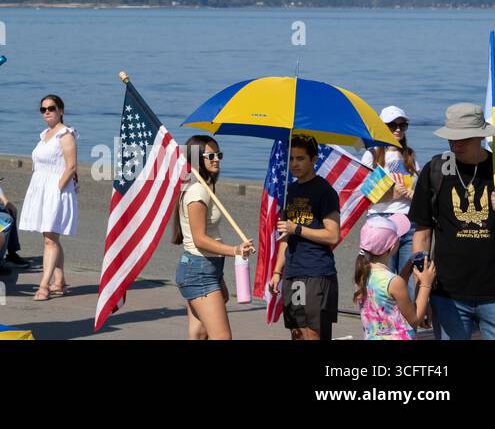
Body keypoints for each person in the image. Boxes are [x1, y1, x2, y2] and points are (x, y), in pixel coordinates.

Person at [409, 102, 495, 340]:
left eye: (463, 138)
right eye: (452, 138)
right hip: (448, 294)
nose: (455, 144)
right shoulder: (436, 170)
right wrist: (422, 290)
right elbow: (422, 232)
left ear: (481, 135)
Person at [172, 136, 254, 340]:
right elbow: (199, 239)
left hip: (205, 267)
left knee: (199, 333)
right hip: (198, 269)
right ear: (197, 158)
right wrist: (234, 250)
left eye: (219, 155)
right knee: (222, 337)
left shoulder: (202, 186)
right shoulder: (198, 190)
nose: (216, 159)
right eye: (211, 155)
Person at [269, 134, 341, 340]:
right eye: (291, 158)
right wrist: (277, 271)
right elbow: (285, 235)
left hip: (316, 272)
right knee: (297, 333)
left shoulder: (325, 191)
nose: (294, 164)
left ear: (313, 159)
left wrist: (297, 229)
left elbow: (332, 235)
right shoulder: (290, 190)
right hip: (293, 272)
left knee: (313, 334)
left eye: (300, 158)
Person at [18, 93, 77, 300]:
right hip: (40, 188)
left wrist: (57, 189)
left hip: (56, 189)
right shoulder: (45, 134)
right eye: (43, 109)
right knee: (50, 237)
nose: (47, 113)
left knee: (50, 239)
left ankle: (44, 285)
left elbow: (71, 167)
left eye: (51, 108)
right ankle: (59, 281)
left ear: (60, 110)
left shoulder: (66, 134)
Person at [353, 213, 434, 340]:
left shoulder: (362, 274)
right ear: (392, 247)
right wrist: (426, 283)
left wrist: (407, 269)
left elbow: (390, 290)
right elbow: (415, 319)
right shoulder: (394, 282)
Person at [360, 106, 418, 276]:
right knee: (383, 275)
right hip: (380, 219)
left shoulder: (409, 155)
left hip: (408, 219)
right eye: (392, 125)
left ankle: (408, 304)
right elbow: (365, 195)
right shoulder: (372, 155)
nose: (398, 129)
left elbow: (418, 187)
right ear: (382, 127)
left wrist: (414, 195)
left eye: (402, 125)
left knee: (408, 276)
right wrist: (393, 195)